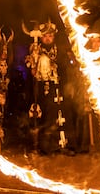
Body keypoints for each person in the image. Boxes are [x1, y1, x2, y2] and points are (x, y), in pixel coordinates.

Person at [24, 20, 76, 156]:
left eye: (50, 36)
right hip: (44, 89)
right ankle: (49, 147)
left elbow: (66, 68)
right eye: (45, 36)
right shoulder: (35, 50)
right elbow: (31, 71)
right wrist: (34, 64)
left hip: (59, 86)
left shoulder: (60, 50)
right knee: (48, 116)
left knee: (64, 115)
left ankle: (66, 145)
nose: (48, 38)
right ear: (41, 37)